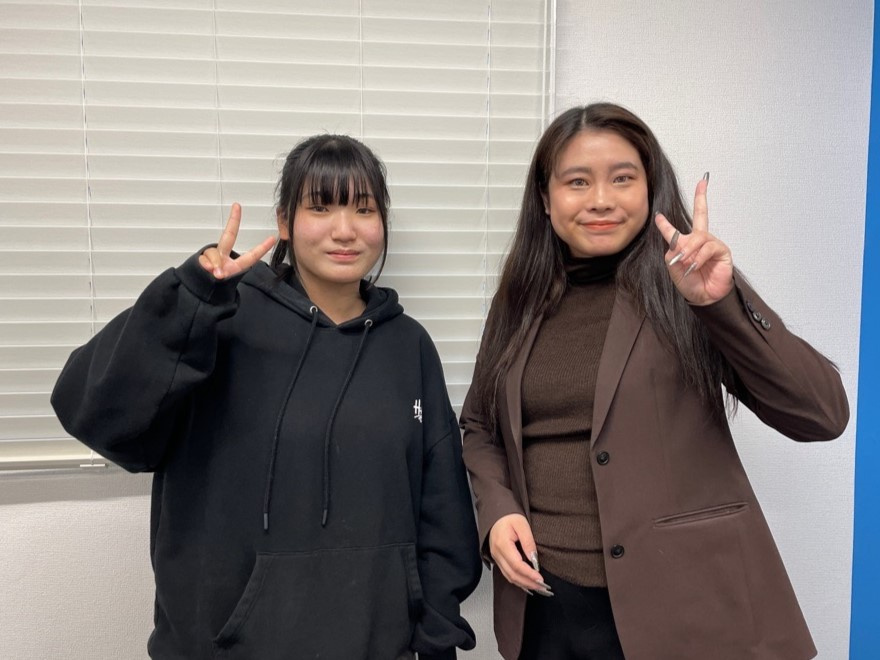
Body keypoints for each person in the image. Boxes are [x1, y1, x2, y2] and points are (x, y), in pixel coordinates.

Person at [51, 134, 481, 660]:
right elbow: (95, 414)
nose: (344, 230)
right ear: (283, 221)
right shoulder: (218, 320)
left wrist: (435, 639)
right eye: (320, 207)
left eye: (364, 210)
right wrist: (190, 299)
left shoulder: (407, 346)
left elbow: (442, 511)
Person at [460, 103, 849, 660]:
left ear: (650, 189)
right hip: (548, 608)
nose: (600, 199)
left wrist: (721, 306)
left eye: (622, 178)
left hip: (684, 608)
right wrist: (497, 511)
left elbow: (821, 416)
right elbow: (479, 426)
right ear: (545, 199)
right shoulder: (519, 300)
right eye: (577, 182)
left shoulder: (688, 285)